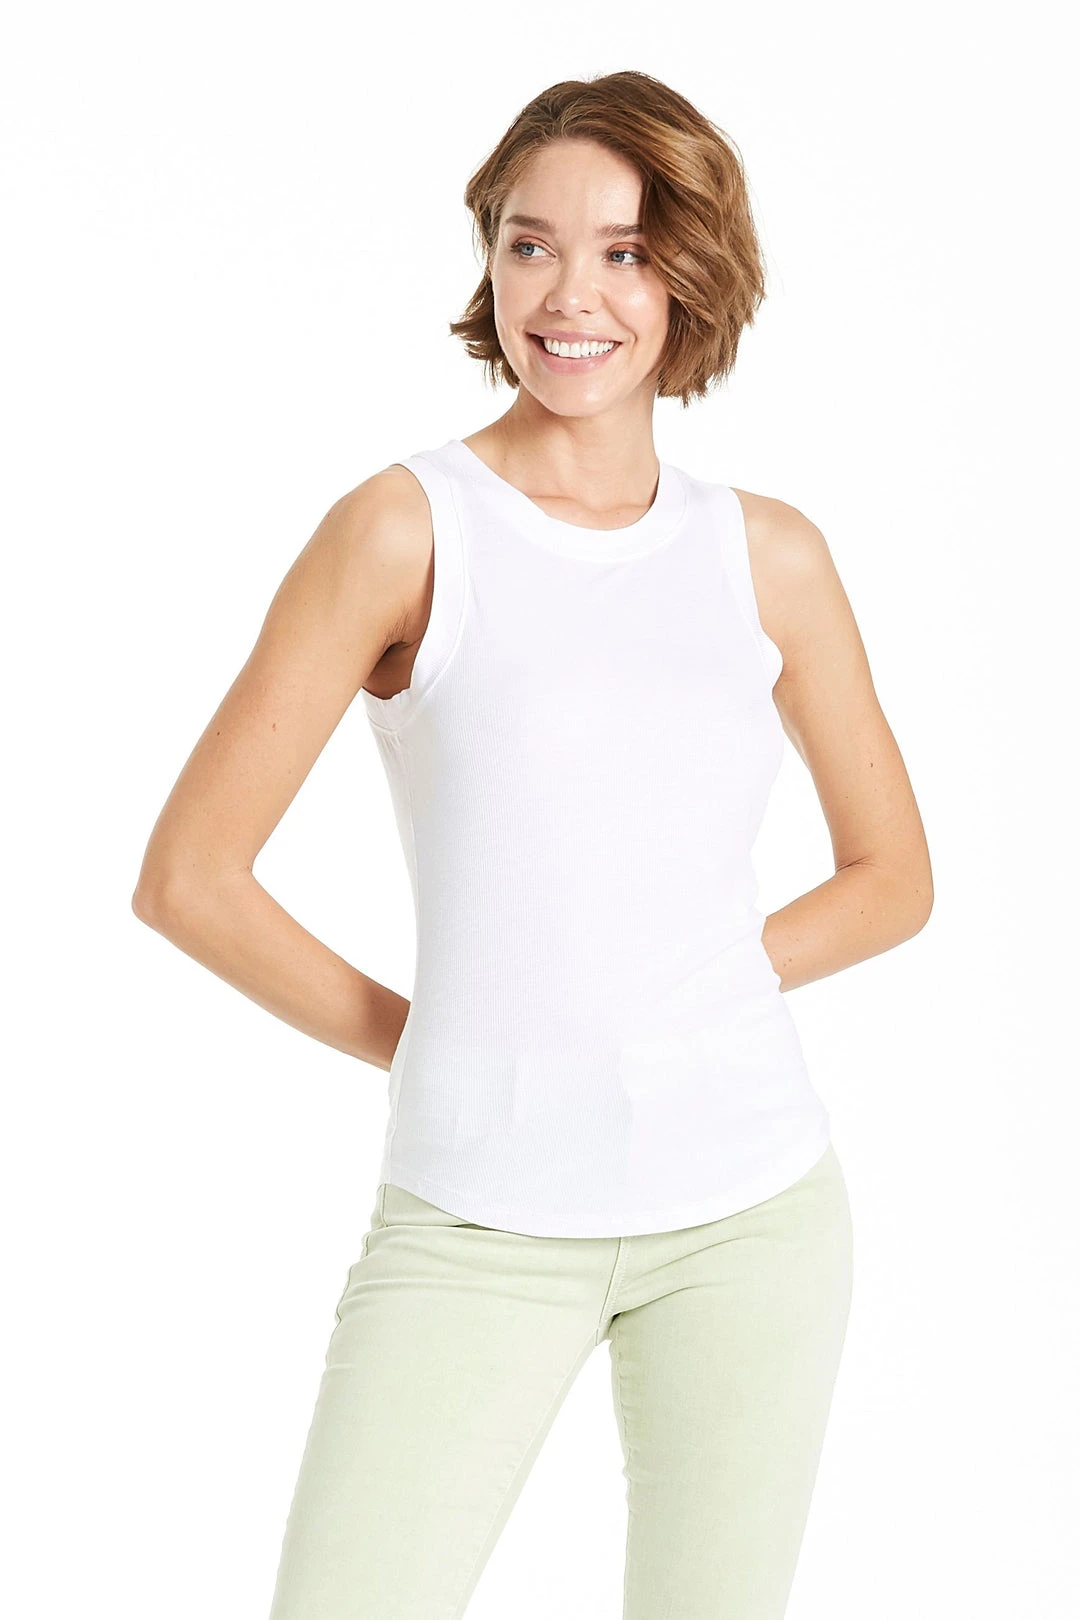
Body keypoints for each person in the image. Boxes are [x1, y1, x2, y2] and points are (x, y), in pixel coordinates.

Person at [133, 69, 933, 1620]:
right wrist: (436, 1037)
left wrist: (688, 982)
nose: (571, 295)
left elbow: (893, 877)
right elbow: (190, 879)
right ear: (489, 260)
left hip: (751, 1212)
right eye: (531, 243)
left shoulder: (766, 554)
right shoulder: (405, 528)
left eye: (626, 251)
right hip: (476, 1218)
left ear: (692, 273)